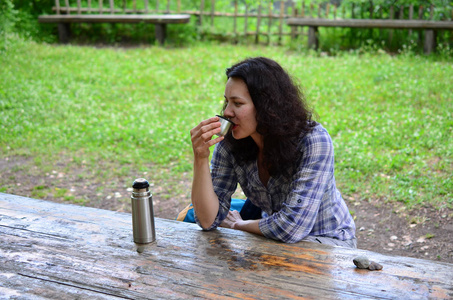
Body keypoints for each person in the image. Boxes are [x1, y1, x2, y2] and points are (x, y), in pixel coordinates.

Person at [189, 57, 356, 248]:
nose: (227, 112)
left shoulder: (313, 140)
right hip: (273, 239)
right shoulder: (231, 143)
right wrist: (200, 158)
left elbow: (292, 227)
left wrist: (239, 224)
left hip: (327, 242)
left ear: (266, 106)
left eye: (237, 103)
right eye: (226, 102)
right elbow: (207, 221)